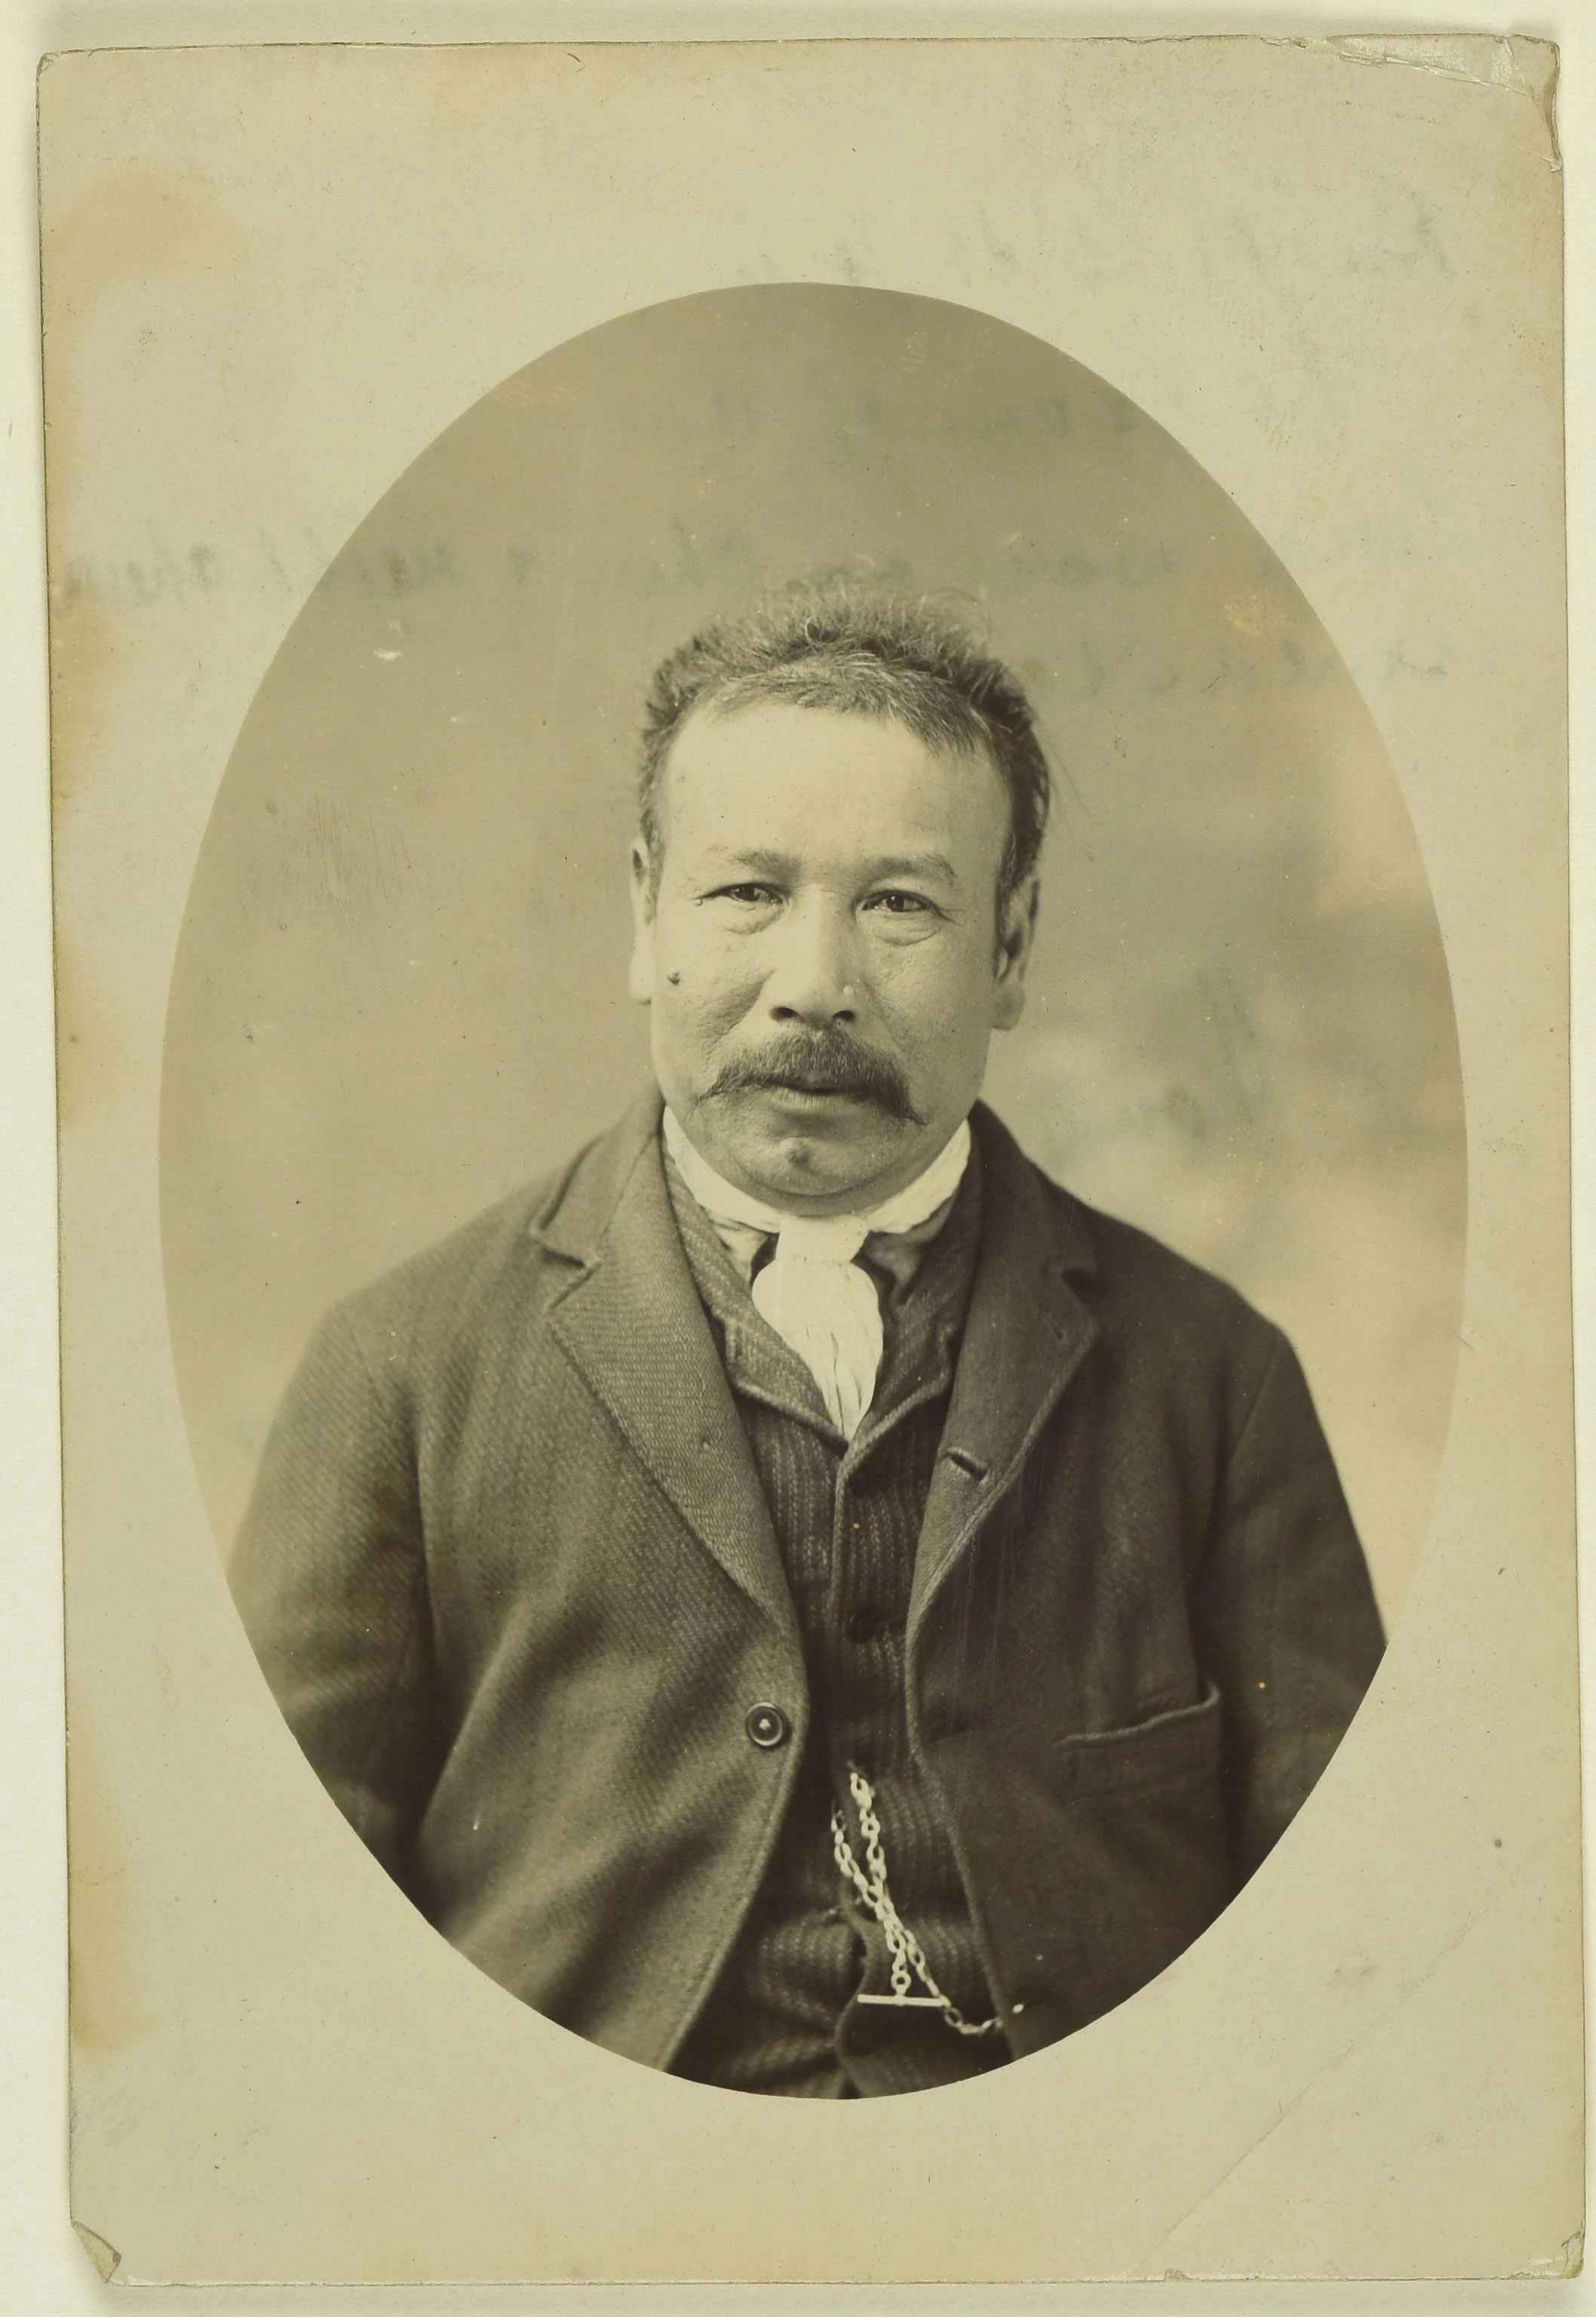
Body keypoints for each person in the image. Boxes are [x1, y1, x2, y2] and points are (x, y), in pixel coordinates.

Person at [230, 577, 1384, 2099]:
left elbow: (1354, 1945)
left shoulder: (1212, 1377)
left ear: (1011, 943)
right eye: (746, 892)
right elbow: (264, 1949)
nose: (814, 985)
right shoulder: (400, 1368)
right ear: (642, 912)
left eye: (899, 903)